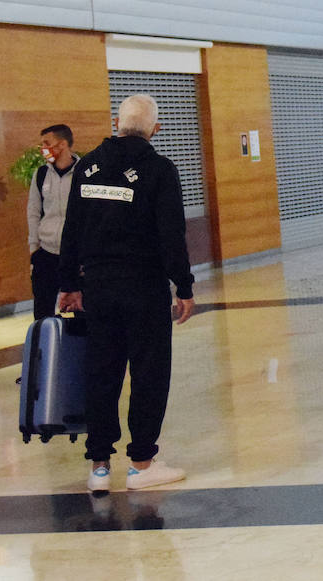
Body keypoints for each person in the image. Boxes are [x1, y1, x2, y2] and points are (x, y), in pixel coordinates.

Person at [57, 94, 195, 492]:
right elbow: (172, 235)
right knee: (149, 372)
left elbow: (73, 230)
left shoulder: (87, 167)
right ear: (156, 128)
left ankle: (99, 466)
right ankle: (141, 463)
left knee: (102, 371)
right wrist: (183, 286)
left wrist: (68, 284)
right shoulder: (158, 169)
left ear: (117, 122)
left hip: (98, 287)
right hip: (144, 287)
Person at [27, 124, 79, 322]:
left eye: (47, 144)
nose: (43, 149)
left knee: (76, 310)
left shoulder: (83, 173)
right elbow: (33, 210)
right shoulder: (41, 174)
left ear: (62, 144)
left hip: (74, 255)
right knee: (42, 312)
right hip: (46, 254)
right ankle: (43, 349)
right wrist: (34, 246)